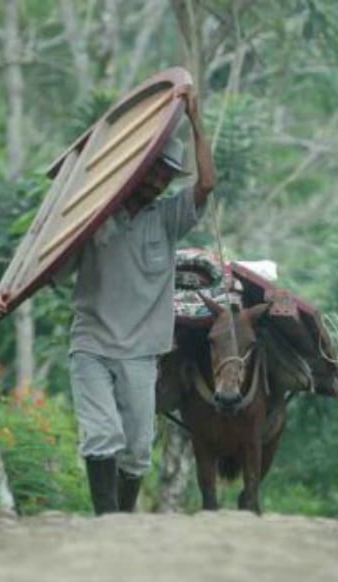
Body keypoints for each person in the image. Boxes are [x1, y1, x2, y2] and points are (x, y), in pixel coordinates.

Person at [65, 87, 215, 515]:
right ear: (137, 167)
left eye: (165, 176)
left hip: (141, 350)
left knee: (136, 450)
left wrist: (196, 121)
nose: (156, 181)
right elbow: (50, 263)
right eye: (152, 171)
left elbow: (206, 183)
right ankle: (106, 521)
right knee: (100, 435)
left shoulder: (167, 218)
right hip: (91, 342)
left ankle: (124, 521)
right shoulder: (93, 214)